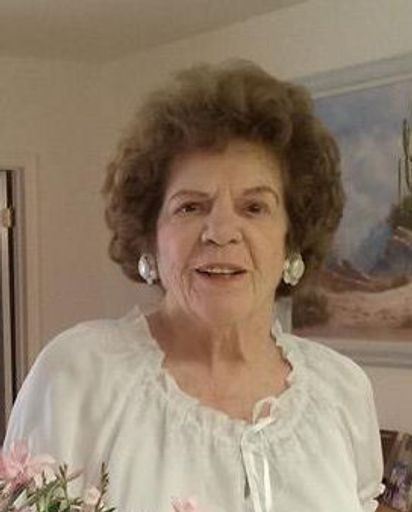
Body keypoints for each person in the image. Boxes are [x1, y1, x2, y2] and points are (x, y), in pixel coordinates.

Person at [4, 61, 384, 512]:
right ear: (150, 236)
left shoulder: (342, 391)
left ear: (292, 237)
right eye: (190, 207)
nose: (221, 232)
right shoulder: (78, 377)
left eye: (254, 208)